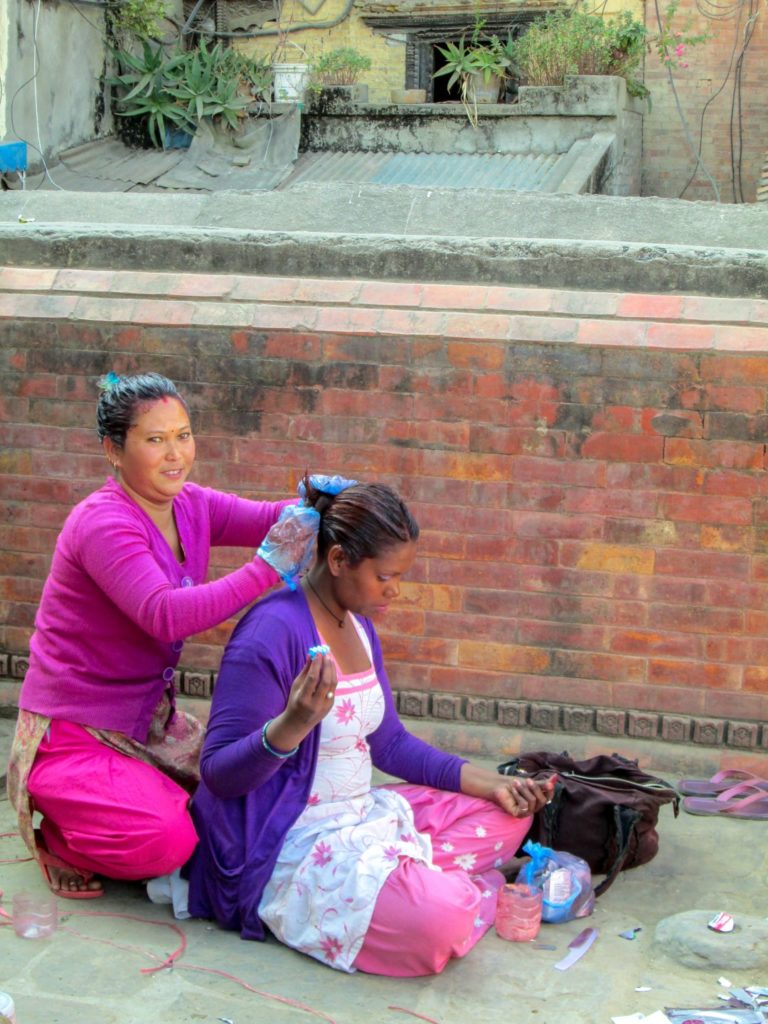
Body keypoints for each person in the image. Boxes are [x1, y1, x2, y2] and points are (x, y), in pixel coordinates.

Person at [187, 476, 555, 976]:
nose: (396, 591)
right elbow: (219, 776)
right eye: (385, 577)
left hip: (361, 817)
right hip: (290, 843)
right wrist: (290, 727)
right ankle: (436, 899)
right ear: (338, 561)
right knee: (440, 922)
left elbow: (390, 744)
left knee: (506, 814)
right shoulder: (271, 632)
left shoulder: (357, 623)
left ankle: (414, 889)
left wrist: (493, 782)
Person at [7, 371, 313, 900]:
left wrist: (318, 504)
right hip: (75, 733)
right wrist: (270, 567)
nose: (175, 454)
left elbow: (270, 518)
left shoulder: (190, 504)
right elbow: (165, 615)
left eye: (183, 435)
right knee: (170, 841)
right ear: (113, 449)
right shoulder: (102, 523)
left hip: (148, 725)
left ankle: (120, 804)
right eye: (155, 440)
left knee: (246, 787)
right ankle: (59, 833)